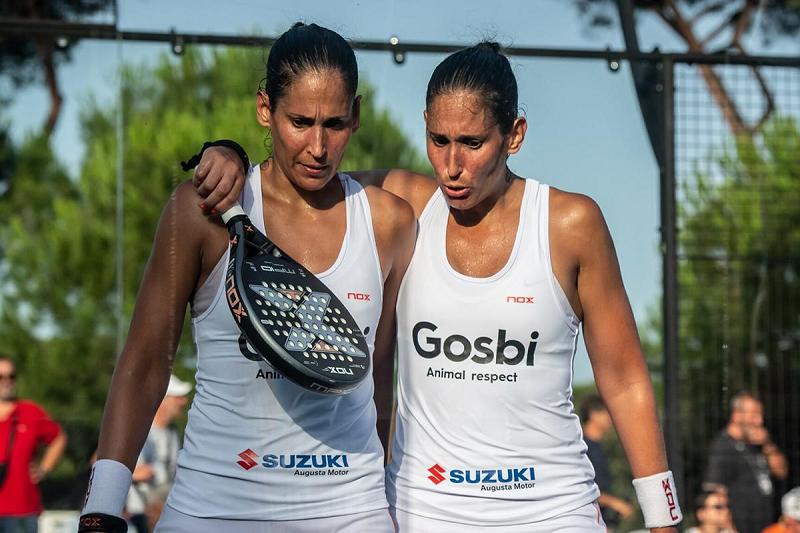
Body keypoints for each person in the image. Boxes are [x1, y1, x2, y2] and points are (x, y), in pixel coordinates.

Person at [192, 40, 683, 532]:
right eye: (438, 139)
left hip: (553, 511)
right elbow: (292, 179)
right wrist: (229, 154)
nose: (451, 165)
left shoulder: (569, 224)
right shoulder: (406, 205)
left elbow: (625, 379)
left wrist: (663, 518)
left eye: (472, 143)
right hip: (424, 512)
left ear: (514, 135)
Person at [78, 22, 415, 533]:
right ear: (264, 109)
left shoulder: (389, 222)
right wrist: (101, 509)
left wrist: (388, 497)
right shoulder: (203, 211)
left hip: (350, 511)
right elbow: (145, 364)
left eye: (335, 124)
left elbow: (380, 379)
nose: (318, 146)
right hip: (213, 509)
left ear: (357, 116)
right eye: (299, 122)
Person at [703, 391, 788, 533]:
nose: (759, 421)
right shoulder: (723, 446)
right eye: (754, 415)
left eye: (760, 415)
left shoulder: (758, 444)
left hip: (767, 526)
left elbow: (782, 472)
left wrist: (767, 444)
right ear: (737, 415)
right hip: (740, 527)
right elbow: (715, 491)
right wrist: (729, 528)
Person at [0, 355, 67, 533]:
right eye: (1, 376)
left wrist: (44, 468)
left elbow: (58, 437)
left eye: (11, 376)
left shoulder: (30, 412)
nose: (6, 381)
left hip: (22, 511)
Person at [124, 375, 191, 533]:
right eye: (177, 397)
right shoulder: (138, 431)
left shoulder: (171, 433)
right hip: (137, 518)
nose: (184, 401)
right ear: (162, 400)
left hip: (161, 517)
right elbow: (99, 463)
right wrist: (134, 474)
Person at [580, 394, 635, 530]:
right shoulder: (581, 448)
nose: (612, 417)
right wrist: (616, 503)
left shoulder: (600, 448)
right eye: (608, 411)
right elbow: (582, 488)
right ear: (593, 414)